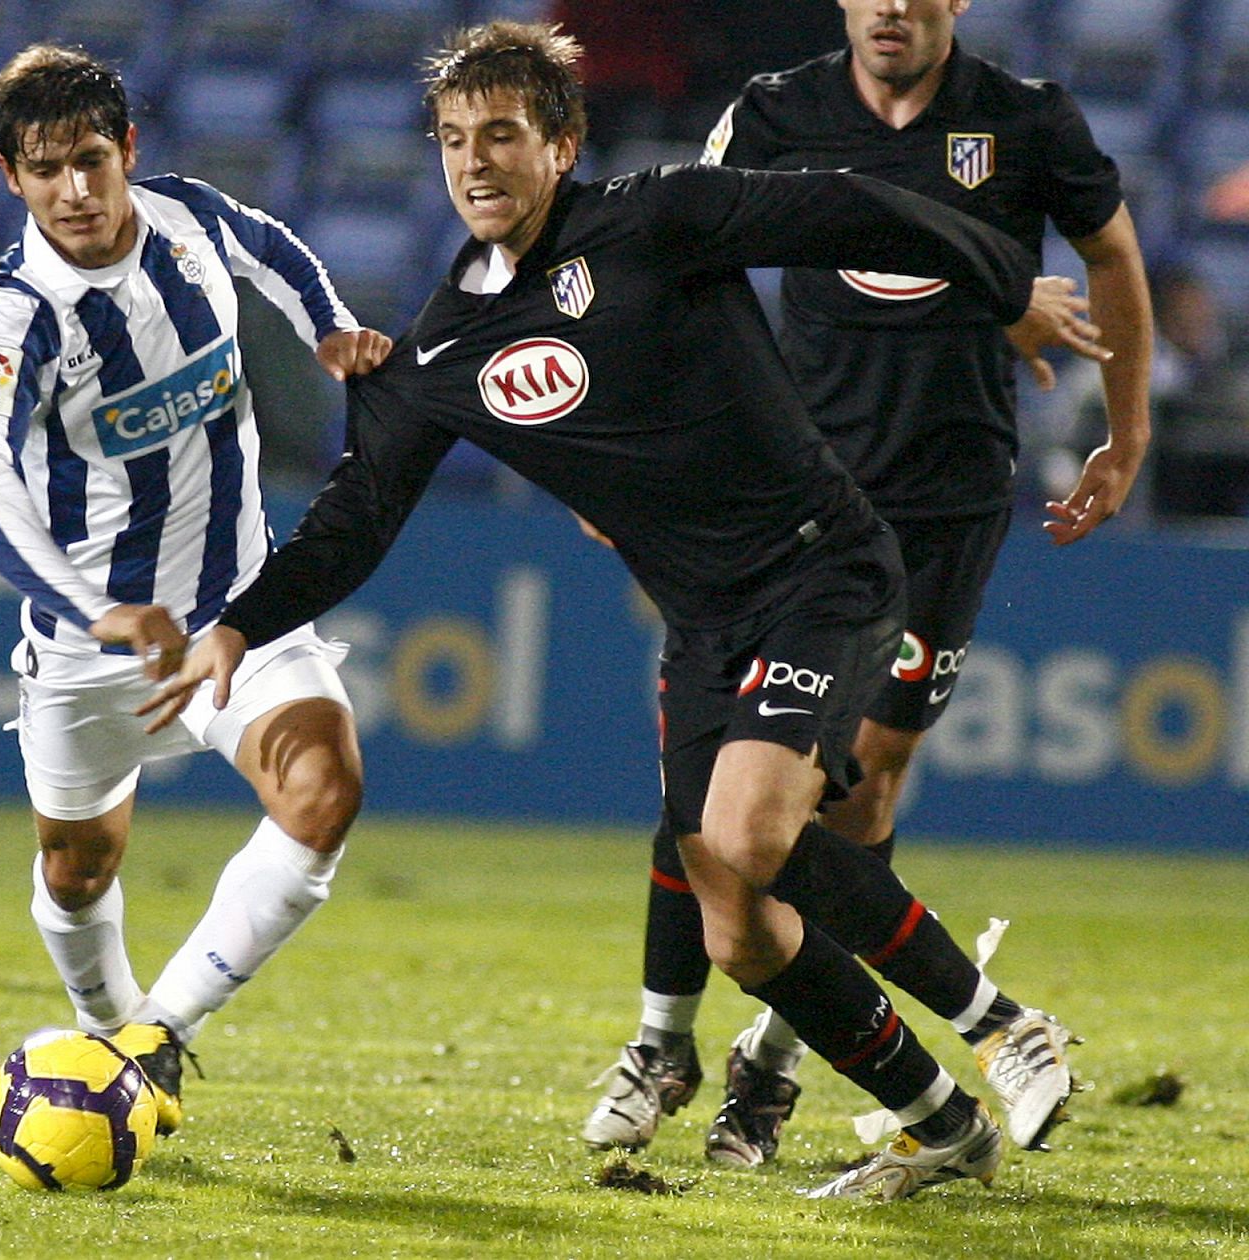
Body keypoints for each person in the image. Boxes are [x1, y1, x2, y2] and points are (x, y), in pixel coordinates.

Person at [144, 21, 1110, 1199]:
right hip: (706, 623)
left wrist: (1001, 279)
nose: (474, 163)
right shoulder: (444, 345)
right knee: (735, 930)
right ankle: (943, 1123)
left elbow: (852, 209)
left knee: (753, 834)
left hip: (823, 569)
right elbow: (355, 518)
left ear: (562, 143)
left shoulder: (658, 218)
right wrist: (241, 623)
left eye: (502, 134)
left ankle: (1006, 1025)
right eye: (453, 140)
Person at [579, 0, 1154, 1168]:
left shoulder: (1027, 123)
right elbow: (684, 263)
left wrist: (1125, 434)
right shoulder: (776, 114)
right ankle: (664, 1042)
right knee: (726, 769)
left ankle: (774, 1062)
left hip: (942, 503)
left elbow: (1114, 256)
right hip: (789, 496)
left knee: (867, 790)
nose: (890, 6)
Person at [0, 44, 392, 1135]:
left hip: (237, 612)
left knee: (323, 790)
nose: (76, 190)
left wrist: (326, 324)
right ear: (12, 175)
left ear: (128, 151)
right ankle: (114, 1031)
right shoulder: (18, 319)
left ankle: (157, 1038)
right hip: (94, 647)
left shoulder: (187, 216)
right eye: (46, 169)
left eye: (92, 160)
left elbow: (276, 251)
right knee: (77, 867)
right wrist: (96, 611)